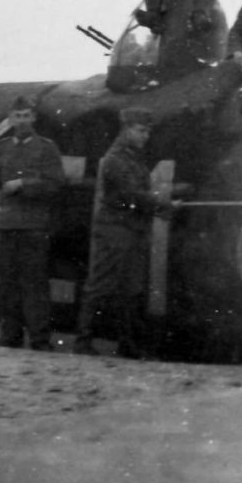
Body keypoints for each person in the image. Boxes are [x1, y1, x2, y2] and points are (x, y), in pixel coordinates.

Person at [73, 107, 175, 359]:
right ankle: (82, 341)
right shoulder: (115, 159)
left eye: (148, 131)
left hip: (131, 230)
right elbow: (131, 193)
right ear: (127, 129)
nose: (145, 136)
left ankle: (127, 344)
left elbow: (139, 196)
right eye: (141, 130)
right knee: (99, 285)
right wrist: (162, 204)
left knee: (130, 290)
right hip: (114, 231)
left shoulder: (133, 157)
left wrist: (158, 207)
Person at [0, 95, 66, 350]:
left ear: (34, 118)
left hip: (33, 225)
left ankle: (39, 338)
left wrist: (24, 184)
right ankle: (10, 336)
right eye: (17, 116)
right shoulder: (1, 147)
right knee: (7, 283)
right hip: (6, 225)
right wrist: (0, 204)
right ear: (10, 118)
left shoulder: (46, 148)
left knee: (35, 283)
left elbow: (56, 184)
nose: (21, 121)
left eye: (26, 115)